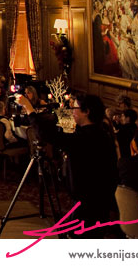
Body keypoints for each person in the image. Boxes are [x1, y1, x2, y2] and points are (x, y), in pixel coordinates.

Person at [51, 94, 118, 235]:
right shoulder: (99, 133)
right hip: (95, 199)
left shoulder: (87, 137)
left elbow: (53, 138)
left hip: (90, 201)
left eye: (75, 108)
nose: (72, 112)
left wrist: (30, 111)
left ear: (86, 111)